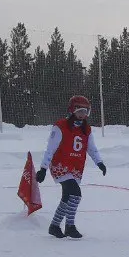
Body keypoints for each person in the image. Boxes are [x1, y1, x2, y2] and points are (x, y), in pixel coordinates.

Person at [36, 95, 106, 239]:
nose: (82, 114)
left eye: (85, 111)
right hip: (61, 166)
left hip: (75, 167)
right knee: (76, 194)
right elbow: (50, 148)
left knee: (67, 197)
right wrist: (43, 168)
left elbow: (91, 148)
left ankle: (54, 226)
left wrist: (99, 162)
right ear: (72, 110)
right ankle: (70, 226)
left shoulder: (86, 129)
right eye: (79, 110)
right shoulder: (60, 126)